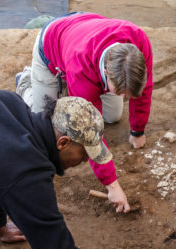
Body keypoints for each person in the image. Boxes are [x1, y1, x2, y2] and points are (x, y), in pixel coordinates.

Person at [0, 90, 176, 249]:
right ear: (63, 143)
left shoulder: (6, 101)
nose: (86, 159)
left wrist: (0, 227)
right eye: (85, 152)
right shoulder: (27, 177)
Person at [17, 12, 153, 213]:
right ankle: (26, 81)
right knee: (45, 120)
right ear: (107, 73)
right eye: (121, 92)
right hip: (52, 46)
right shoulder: (81, 69)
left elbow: (144, 88)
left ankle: (66, 89)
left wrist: (138, 130)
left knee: (113, 116)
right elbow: (89, 133)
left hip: (84, 27)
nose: (125, 97)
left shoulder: (139, 42)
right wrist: (112, 186)